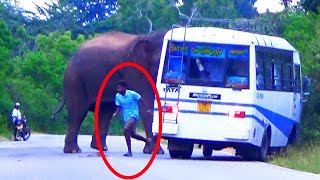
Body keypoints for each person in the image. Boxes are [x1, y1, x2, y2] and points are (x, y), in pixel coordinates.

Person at [112, 81, 151, 157]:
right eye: (117, 88)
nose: (118, 90)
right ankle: (147, 141)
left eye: (119, 88)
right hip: (126, 116)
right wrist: (116, 113)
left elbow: (141, 100)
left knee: (126, 129)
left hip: (134, 114)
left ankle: (129, 151)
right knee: (133, 134)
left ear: (124, 88)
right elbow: (119, 106)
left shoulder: (132, 94)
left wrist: (146, 109)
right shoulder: (118, 96)